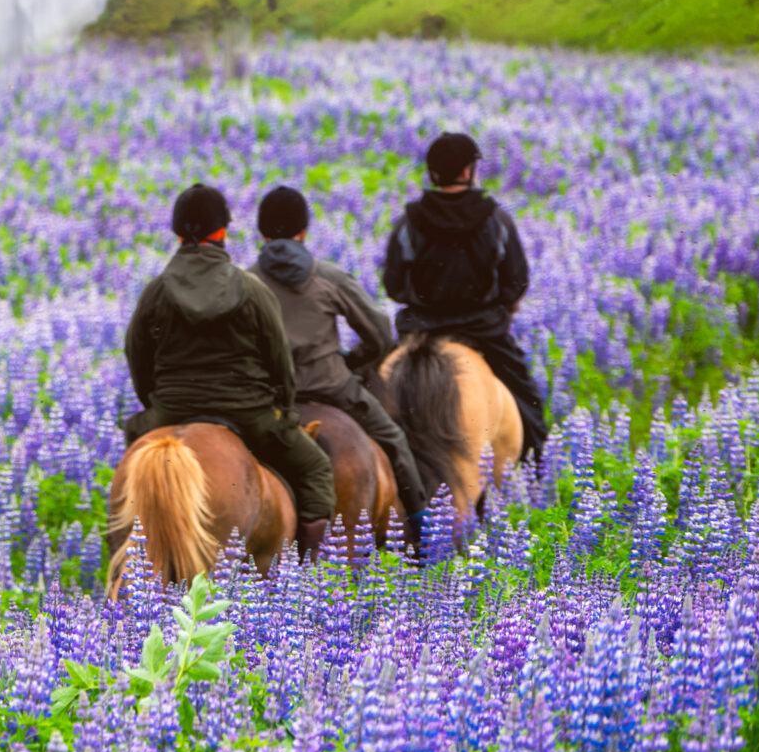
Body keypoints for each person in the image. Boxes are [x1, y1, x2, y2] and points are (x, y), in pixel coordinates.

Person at [125, 185, 336, 555]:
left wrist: (155, 405)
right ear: (222, 232)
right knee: (316, 468)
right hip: (247, 411)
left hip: (172, 407)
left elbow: (136, 355)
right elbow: (279, 360)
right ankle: (308, 578)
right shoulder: (250, 289)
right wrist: (284, 409)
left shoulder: (156, 292)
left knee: (131, 464)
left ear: (177, 233)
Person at [252, 186, 430, 549]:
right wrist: (351, 360)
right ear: (304, 231)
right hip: (331, 387)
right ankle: (422, 533)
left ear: (262, 233)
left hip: (268, 399)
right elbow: (380, 332)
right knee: (394, 441)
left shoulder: (246, 282)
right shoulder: (328, 277)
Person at [380, 132, 547, 459]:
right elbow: (517, 281)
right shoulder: (495, 219)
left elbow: (393, 285)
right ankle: (538, 468)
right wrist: (500, 304)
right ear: (469, 171)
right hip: (483, 331)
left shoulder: (408, 222)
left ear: (432, 173)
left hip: (421, 331)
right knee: (529, 407)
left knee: (370, 394)